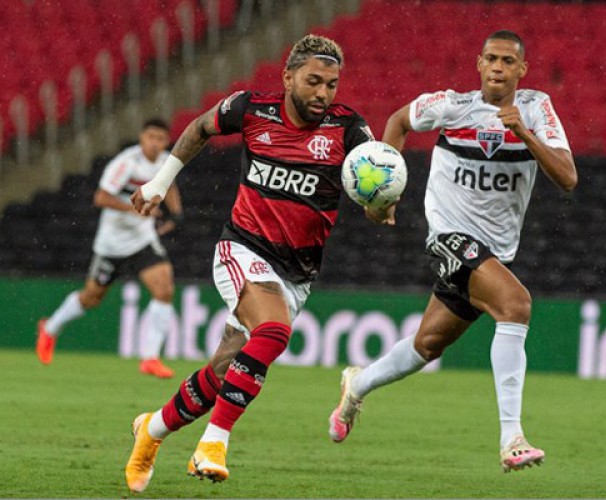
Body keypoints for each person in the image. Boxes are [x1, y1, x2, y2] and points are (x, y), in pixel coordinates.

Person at [124, 34, 382, 492]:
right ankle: (213, 444)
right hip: (242, 249)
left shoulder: (349, 130)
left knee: (224, 372)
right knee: (274, 331)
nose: (323, 93)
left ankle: (152, 430)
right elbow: (200, 128)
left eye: (332, 84)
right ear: (288, 78)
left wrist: (381, 205)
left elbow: (376, 188)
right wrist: (161, 183)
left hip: (296, 273)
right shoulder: (250, 109)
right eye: (313, 82)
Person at [328, 30, 578, 473]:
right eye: (491, 59)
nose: (498, 68)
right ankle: (512, 437)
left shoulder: (536, 110)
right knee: (516, 305)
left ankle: (357, 384)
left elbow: (568, 178)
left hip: (495, 249)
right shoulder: (451, 105)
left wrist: (525, 133)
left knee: (427, 344)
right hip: (448, 236)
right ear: (479, 64)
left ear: (523, 70)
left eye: (507, 61)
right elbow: (398, 122)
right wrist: (384, 196)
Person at [35, 118, 183, 379]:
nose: (154, 143)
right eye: (150, 136)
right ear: (141, 137)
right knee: (91, 297)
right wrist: (134, 208)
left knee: (164, 288)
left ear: (166, 142)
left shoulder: (164, 162)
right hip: (112, 244)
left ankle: (150, 358)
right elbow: (100, 197)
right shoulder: (125, 163)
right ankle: (50, 328)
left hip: (142, 241)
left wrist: (177, 214)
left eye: (160, 138)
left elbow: (169, 185)